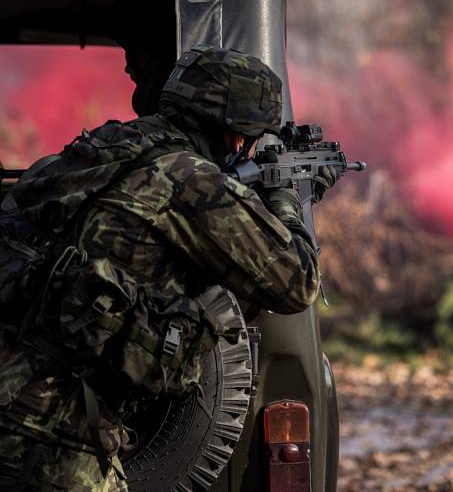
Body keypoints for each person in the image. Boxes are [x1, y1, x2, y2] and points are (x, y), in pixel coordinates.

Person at [0, 45, 337, 491]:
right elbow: (297, 282)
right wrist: (289, 200)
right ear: (236, 137)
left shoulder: (101, 148)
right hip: (54, 435)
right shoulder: (193, 182)